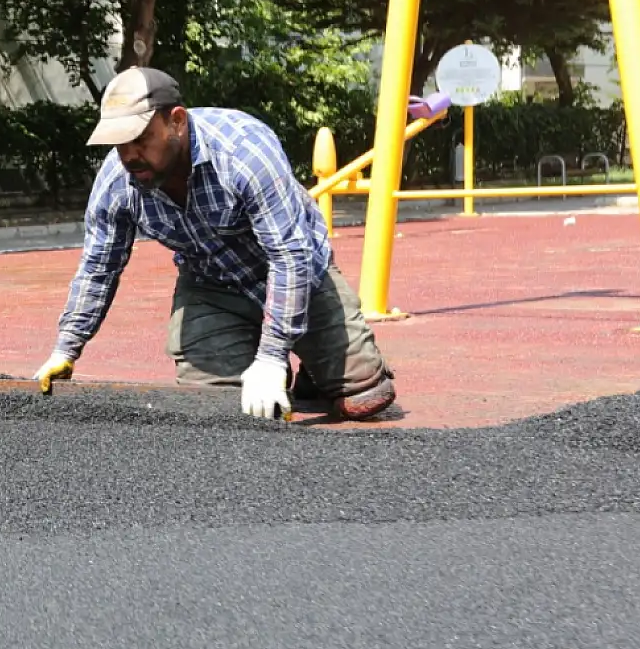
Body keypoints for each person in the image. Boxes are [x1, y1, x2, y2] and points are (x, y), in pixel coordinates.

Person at [32, 67, 396, 421]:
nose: (128, 156)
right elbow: (98, 268)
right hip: (211, 285)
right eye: (119, 144)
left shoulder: (244, 154)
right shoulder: (118, 183)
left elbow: (290, 258)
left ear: (176, 121)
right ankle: (273, 361)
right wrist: (66, 347)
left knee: (365, 398)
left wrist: (270, 356)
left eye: (140, 140)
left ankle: (314, 370)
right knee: (217, 409)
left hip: (296, 276)